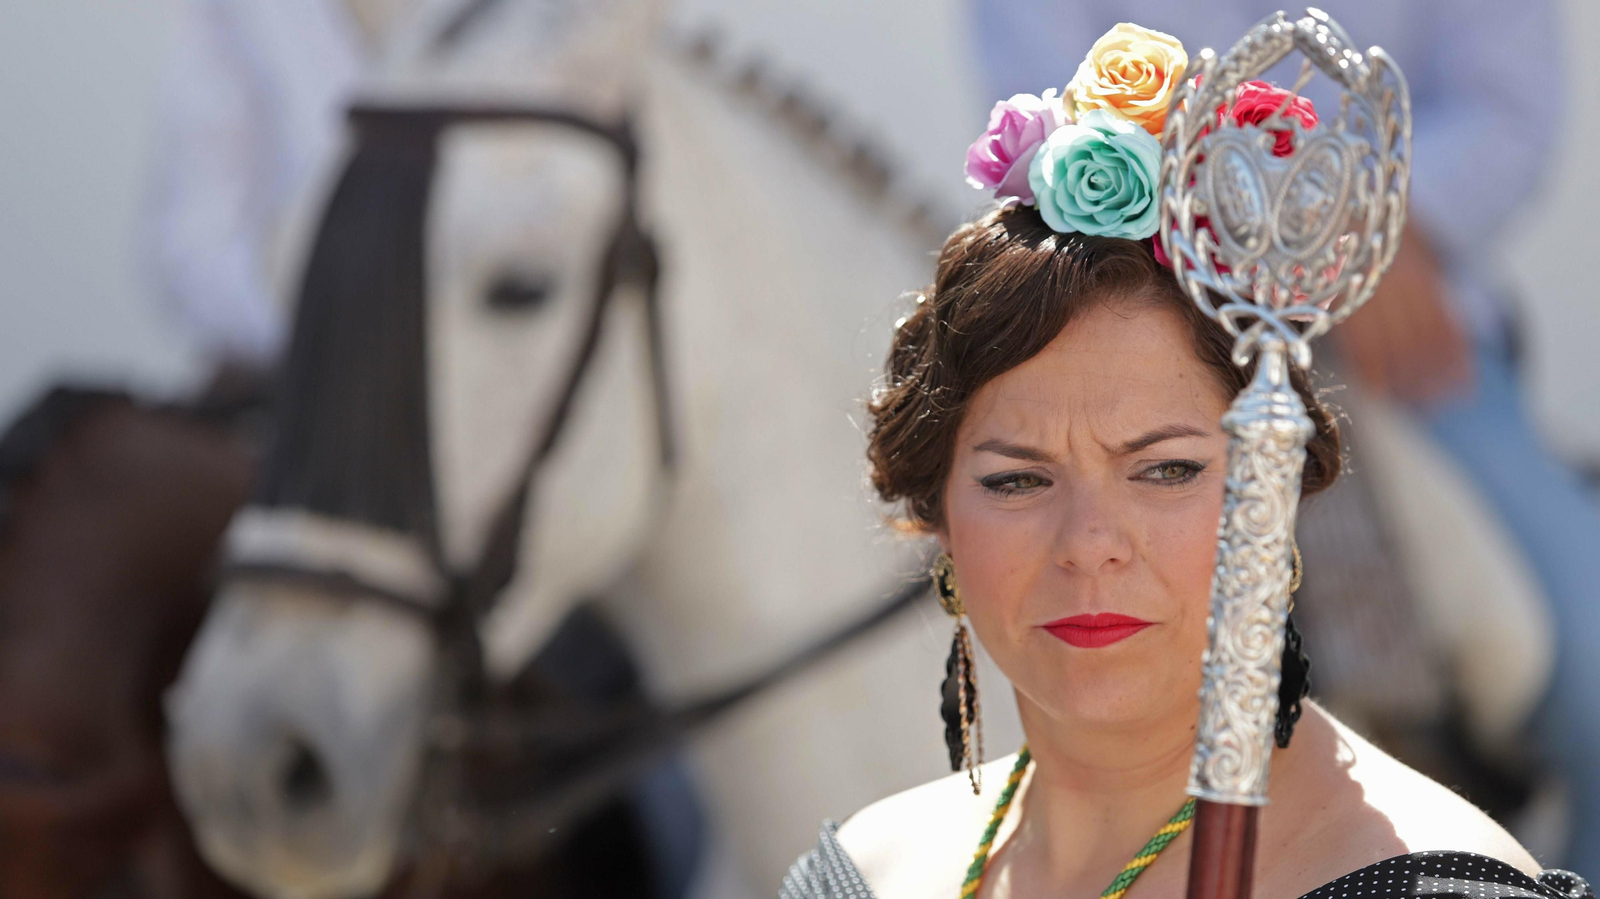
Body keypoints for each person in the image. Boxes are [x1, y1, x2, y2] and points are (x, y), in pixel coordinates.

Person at [782, 20, 1593, 899]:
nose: (1089, 542)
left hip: (1414, 331)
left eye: (1165, 469)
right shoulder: (857, 873)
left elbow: (1508, 105)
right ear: (936, 515)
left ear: (1272, 491)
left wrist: (1370, 229)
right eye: (1017, 479)